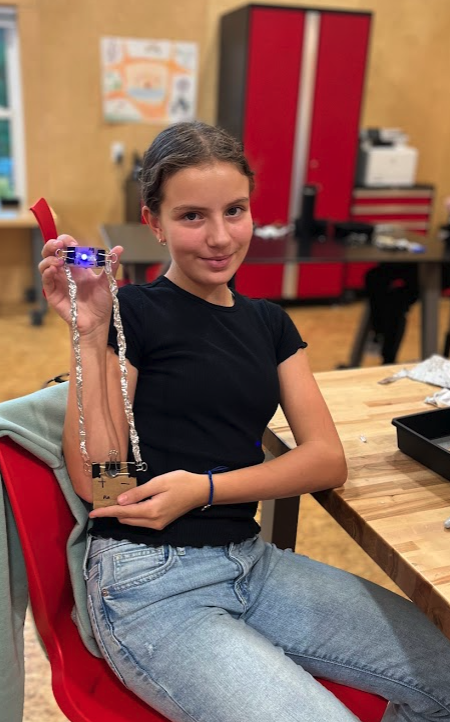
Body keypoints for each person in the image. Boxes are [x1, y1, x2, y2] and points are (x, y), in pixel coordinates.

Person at [39, 122, 450, 722]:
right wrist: (90, 334)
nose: (220, 237)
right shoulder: (131, 312)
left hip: (251, 563)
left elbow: (325, 460)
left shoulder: (270, 324)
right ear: (153, 222)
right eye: (192, 216)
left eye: (235, 211)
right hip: (151, 584)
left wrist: (204, 489)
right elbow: (102, 485)